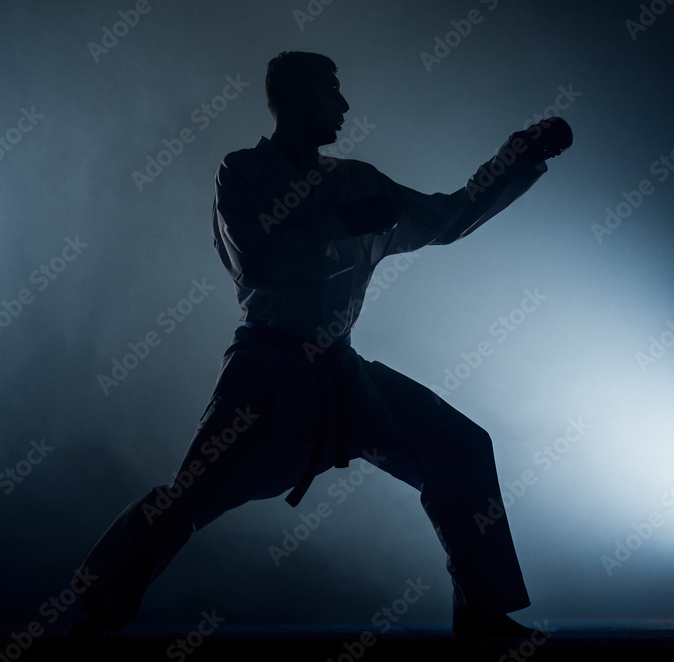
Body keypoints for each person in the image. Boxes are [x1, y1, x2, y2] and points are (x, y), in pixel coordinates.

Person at [70, 51, 572, 639]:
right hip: (270, 374)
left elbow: (445, 218)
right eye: (331, 92)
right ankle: (100, 603)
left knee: (457, 446)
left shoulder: (356, 179)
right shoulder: (243, 172)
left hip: (343, 371)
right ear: (293, 98)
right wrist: (345, 224)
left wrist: (516, 158)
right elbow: (260, 263)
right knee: (192, 496)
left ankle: (484, 610)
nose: (344, 105)